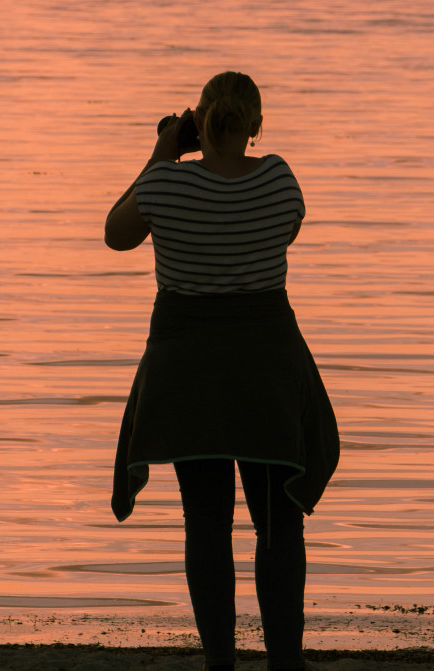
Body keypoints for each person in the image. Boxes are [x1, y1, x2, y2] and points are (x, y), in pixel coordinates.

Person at [106, 71, 339, 671]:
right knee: (278, 523)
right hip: (265, 375)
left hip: (190, 378)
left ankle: (220, 664)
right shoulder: (280, 180)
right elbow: (284, 234)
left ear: (197, 124)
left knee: (206, 523)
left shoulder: (164, 183)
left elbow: (115, 234)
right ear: (256, 126)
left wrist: (161, 152)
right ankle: (286, 662)